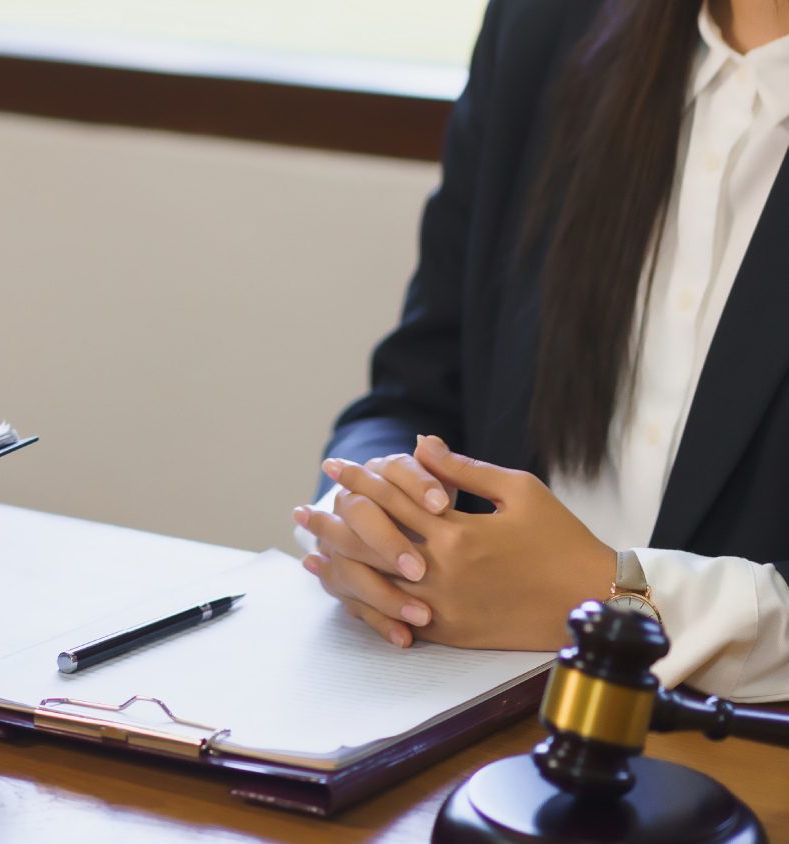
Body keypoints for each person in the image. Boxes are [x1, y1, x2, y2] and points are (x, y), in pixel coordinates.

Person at [293, 0, 789, 702]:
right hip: (478, 711)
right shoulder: (544, 23)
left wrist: (614, 599)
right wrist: (372, 517)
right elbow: (418, 389)